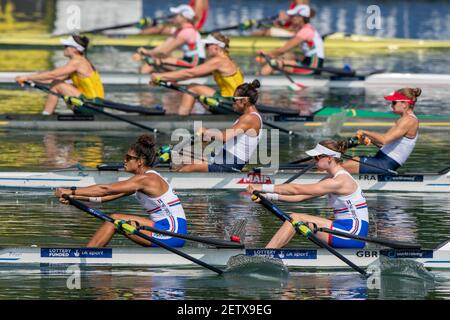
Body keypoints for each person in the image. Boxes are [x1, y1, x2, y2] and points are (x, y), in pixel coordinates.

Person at [55, 134, 188, 248]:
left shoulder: (147, 179)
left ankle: (86, 255)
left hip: (172, 232)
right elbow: (105, 198)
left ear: (140, 161)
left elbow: (105, 189)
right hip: (163, 227)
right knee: (116, 220)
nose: (124, 160)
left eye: (128, 157)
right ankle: (91, 253)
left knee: (114, 219)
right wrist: (74, 199)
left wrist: (72, 190)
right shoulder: (141, 181)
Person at [247, 139, 369, 249]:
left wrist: (261, 186)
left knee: (296, 217)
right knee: (297, 220)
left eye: (316, 158)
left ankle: (266, 253)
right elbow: (300, 197)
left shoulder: (340, 181)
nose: (313, 161)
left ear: (329, 158)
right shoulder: (331, 178)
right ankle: (272, 252)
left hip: (353, 235)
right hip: (343, 229)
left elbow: (296, 189)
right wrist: (266, 196)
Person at [174, 80, 262, 172]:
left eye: (234, 100)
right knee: (186, 159)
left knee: (188, 168)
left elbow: (225, 137)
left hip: (229, 165)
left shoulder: (250, 118)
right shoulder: (249, 116)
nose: (233, 104)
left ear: (244, 100)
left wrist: (205, 130)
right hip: (224, 158)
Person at [151, 32, 244, 115]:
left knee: (192, 88)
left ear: (216, 47)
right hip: (234, 102)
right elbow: (194, 73)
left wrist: (161, 76)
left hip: (232, 105)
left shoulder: (218, 61)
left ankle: (182, 120)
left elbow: (190, 73)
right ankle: (185, 117)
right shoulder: (227, 60)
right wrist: (166, 77)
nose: (205, 48)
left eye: (207, 45)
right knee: (194, 87)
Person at [15, 35, 104, 115]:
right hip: (92, 105)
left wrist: (27, 76)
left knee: (57, 84)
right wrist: (28, 80)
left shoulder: (77, 62)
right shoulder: (80, 62)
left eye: (66, 46)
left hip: (92, 105)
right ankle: (48, 113)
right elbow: (50, 80)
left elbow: (52, 75)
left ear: (75, 49)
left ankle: (46, 115)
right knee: (57, 83)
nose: (64, 48)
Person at [342, 88, 421, 174]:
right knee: (350, 161)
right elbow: (383, 144)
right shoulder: (404, 119)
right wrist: (369, 139)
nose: (391, 105)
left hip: (385, 164)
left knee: (337, 167)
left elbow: (384, 140)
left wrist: (364, 132)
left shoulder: (409, 120)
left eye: (394, 102)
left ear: (405, 104)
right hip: (381, 160)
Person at [133, 5, 206, 74]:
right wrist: (146, 53)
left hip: (195, 64)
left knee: (155, 60)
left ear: (184, 18)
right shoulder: (179, 30)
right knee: (155, 59)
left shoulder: (187, 32)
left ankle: (139, 79)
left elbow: (164, 51)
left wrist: (145, 54)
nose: (172, 17)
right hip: (186, 60)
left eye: (175, 15)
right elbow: (162, 47)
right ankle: (143, 76)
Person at [256, 4, 324, 76]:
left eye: (293, 16)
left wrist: (267, 54)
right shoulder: (305, 29)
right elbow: (285, 51)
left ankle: (255, 82)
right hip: (309, 63)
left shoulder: (306, 31)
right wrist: (272, 55)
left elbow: (283, 49)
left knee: (274, 63)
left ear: (301, 18)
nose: (291, 18)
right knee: (287, 56)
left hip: (312, 67)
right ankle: (263, 77)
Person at [140, 0, 209, 35]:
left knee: (158, 28)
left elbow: (196, 18)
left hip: (192, 28)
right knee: (161, 25)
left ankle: (135, 38)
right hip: (190, 25)